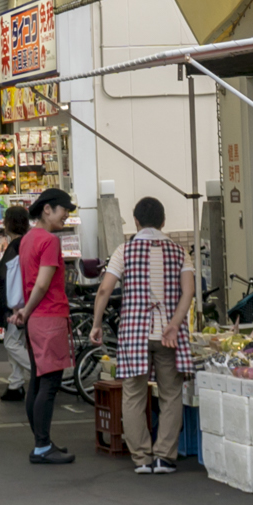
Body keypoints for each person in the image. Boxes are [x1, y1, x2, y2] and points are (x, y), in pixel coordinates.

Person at [92, 195, 197, 473]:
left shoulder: (124, 251)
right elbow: (188, 291)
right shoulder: (180, 251)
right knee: (171, 394)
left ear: (136, 221)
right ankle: (164, 456)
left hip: (134, 333)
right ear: (163, 222)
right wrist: (174, 322)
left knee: (133, 393)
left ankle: (141, 457)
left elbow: (104, 289)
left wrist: (96, 323)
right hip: (168, 333)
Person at [17, 189, 78, 464]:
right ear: (47, 209)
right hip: (49, 316)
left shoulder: (27, 239)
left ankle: (41, 441)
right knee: (50, 384)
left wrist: (25, 312)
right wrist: (28, 310)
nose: (66, 215)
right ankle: (42, 446)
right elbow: (42, 284)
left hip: (35, 321)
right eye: (64, 210)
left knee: (38, 381)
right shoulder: (50, 241)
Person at [0, 202, 31, 402]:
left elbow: (8, 274)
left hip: (16, 303)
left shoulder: (16, 246)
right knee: (17, 340)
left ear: (9, 223)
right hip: (22, 300)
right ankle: (15, 384)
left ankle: (40, 372)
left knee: (11, 343)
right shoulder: (24, 243)